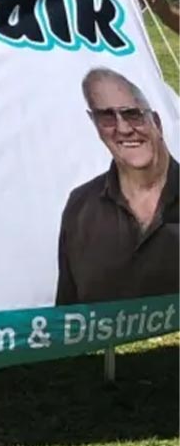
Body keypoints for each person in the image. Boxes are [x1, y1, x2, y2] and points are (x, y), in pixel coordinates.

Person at [55, 67, 178, 305]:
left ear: (157, 123)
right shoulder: (80, 206)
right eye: (107, 117)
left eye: (133, 114)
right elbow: (68, 317)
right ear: (95, 124)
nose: (123, 128)